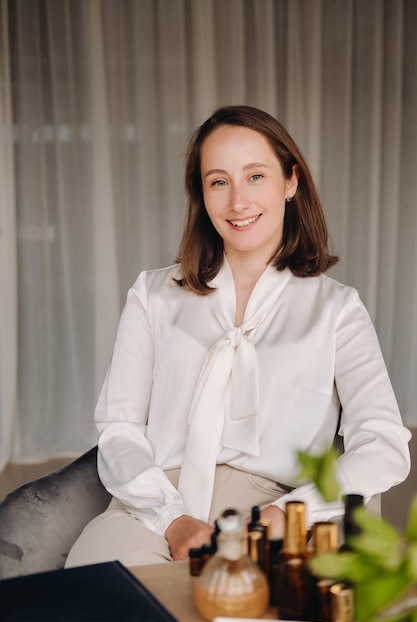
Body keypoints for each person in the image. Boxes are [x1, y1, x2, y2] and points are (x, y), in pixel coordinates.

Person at [65, 105, 411, 568]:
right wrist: (174, 519)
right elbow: (120, 428)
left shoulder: (337, 310)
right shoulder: (152, 295)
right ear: (202, 196)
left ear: (291, 182)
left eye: (255, 176)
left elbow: (383, 444)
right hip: (153, 505)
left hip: (280, 512)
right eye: (219, 181)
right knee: (95, 599)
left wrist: (282, 515)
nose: (238, 203)